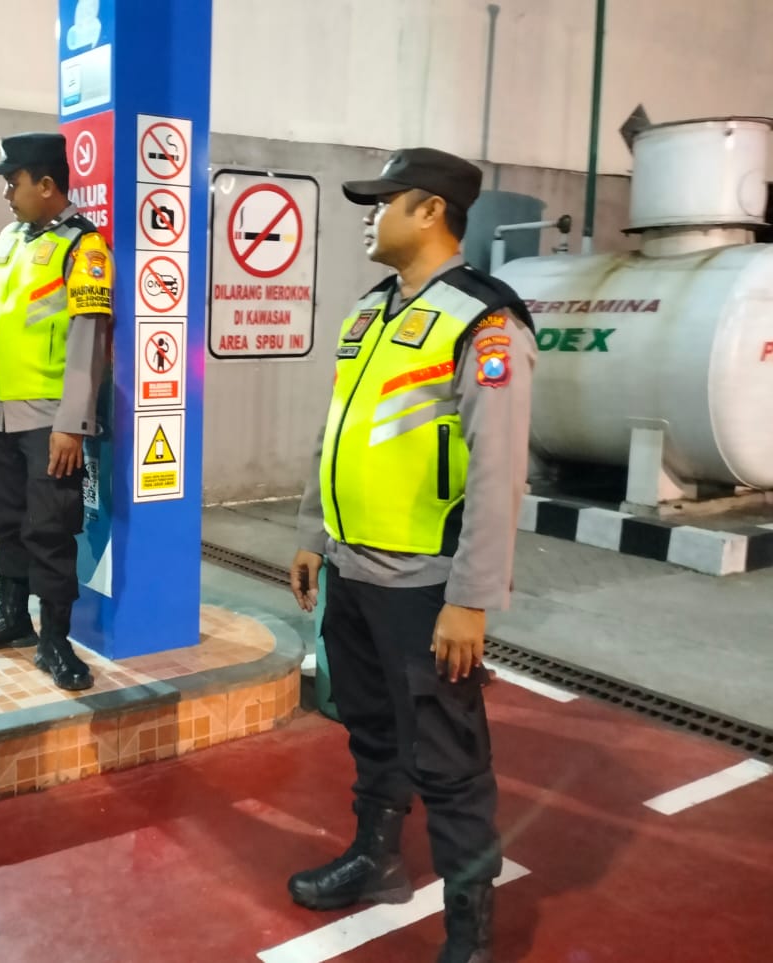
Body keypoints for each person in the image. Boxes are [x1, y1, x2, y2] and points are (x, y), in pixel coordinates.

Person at [287, 148, 536, 963]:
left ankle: (470, 932)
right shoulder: (369, 313)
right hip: (353, 571)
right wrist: (312, 533)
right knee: (370, 730)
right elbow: (336, 434)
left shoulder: (485, 322)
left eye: (383, 201)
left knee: (450, 760)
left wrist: (470, 598)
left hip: (426, 585)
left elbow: (498, 468)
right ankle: (377, 858)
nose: (370, 215)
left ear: (429, 210)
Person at [0, 132, 111, 692]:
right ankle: (13, 617)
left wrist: (72, 423)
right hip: (0, 415)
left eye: (12, 182)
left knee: (50, 529)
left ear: (46, 185)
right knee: (6, 520)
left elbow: (89, 340)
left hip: (48, 421)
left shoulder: (84, 248)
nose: (6, 194)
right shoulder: (9, 240)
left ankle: (55, 641)